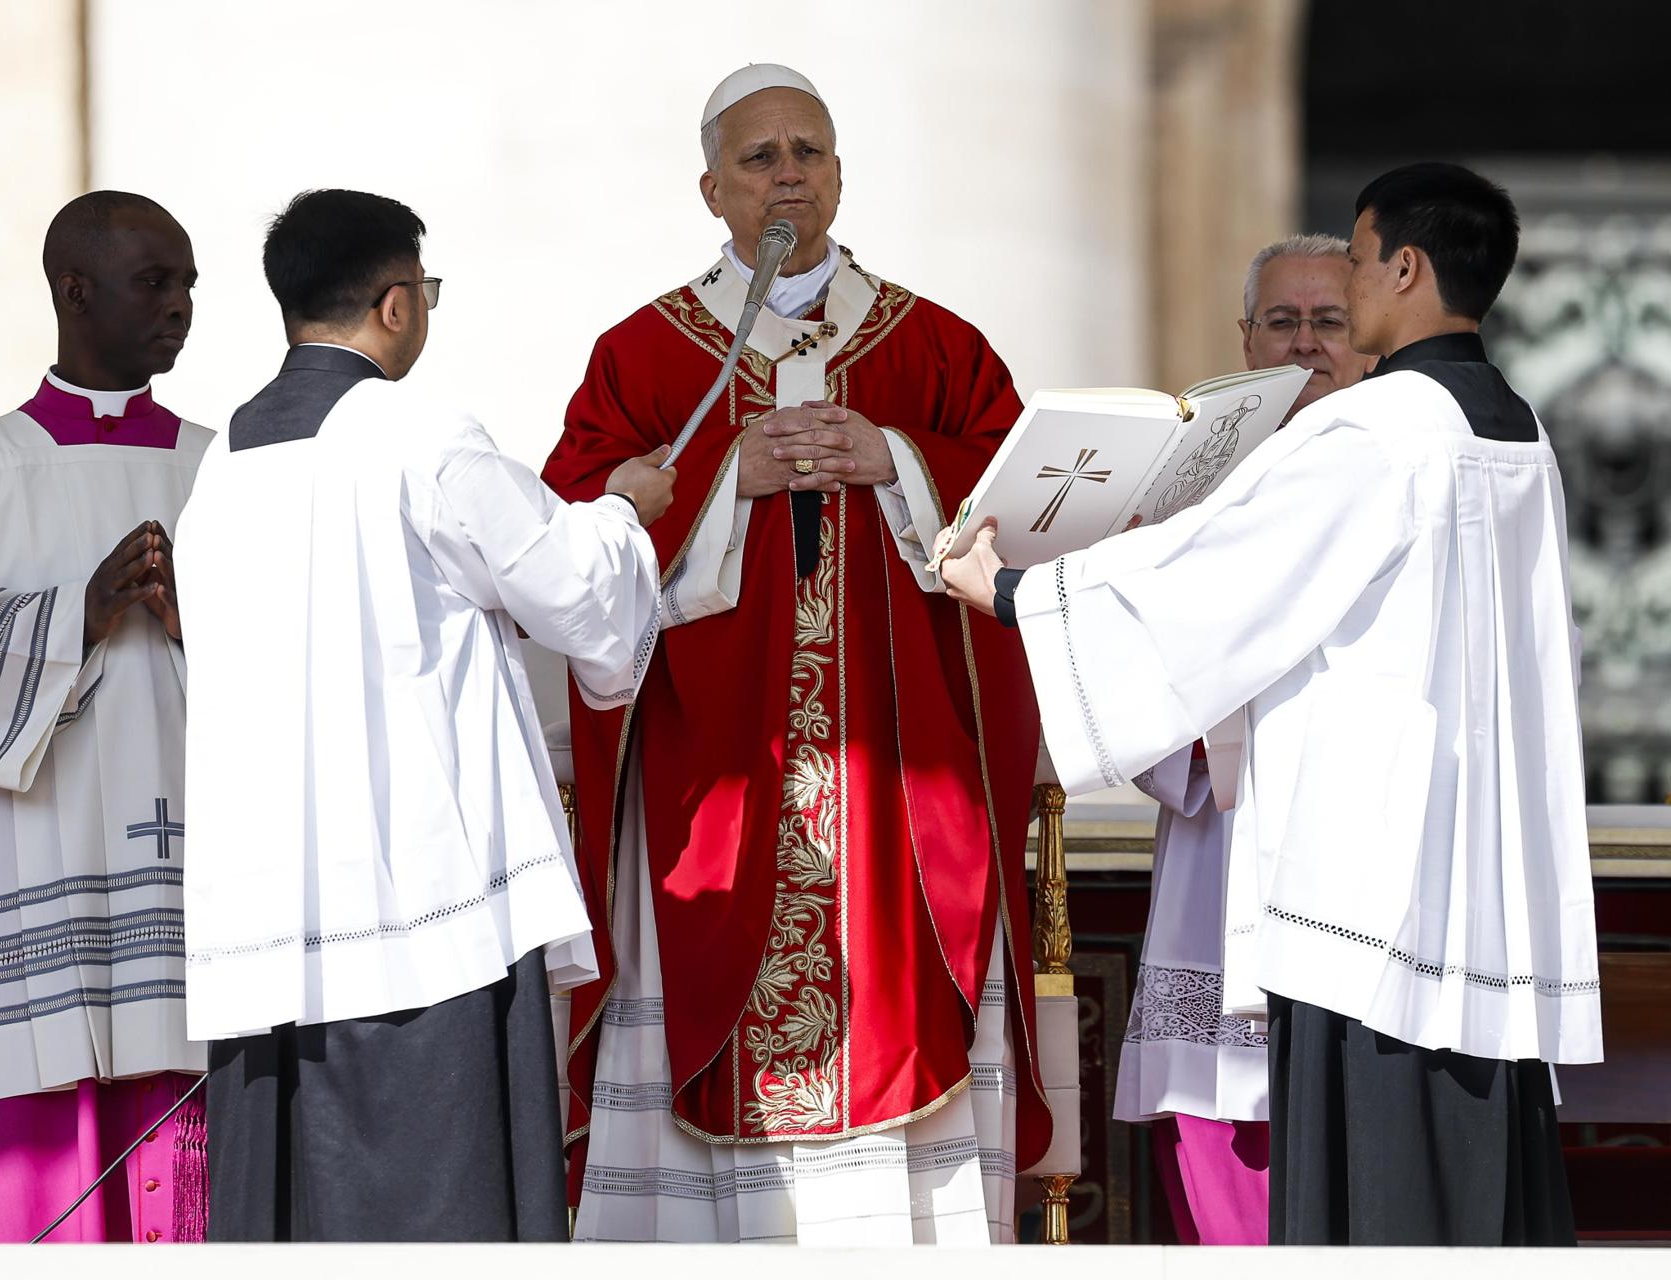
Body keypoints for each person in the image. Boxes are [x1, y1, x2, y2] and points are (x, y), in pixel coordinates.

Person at [941, 162, 1598, 1246]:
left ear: (1405, 265)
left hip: (1369, 898)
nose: (1344, 280)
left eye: (1353, 255)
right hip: (1474, 884)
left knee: (1373, 1199)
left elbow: (1217, 578)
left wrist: (1014, 592)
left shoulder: (1373, 433)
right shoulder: (1517, 433)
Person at [540, 63, 1051, 1244]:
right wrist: (728, 478)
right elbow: (570, 538)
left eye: (807, 154)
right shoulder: (646, 355)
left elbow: (1026, 497)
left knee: (900, 1001)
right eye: (759, 158)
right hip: (712, 771)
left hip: (893, 776)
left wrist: (900, 461)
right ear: (711, 187)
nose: (786, 178)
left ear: (838, 174)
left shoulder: (934, 344)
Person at [178, 189, 673, 1242]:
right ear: (397, 303)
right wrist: (626, 509)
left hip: (271, 925)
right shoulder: (420, 437)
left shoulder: (219, 470)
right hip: (421, 916)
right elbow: (572, 591)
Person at [0, 191, 209, 1243]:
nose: (183, 307)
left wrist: (202, 620)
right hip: (35, 876)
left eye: (191, 284)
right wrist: (77, 613)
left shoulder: (233, 469)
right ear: (76, 290)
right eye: (158, 281)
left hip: (200, 883)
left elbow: (310, 658)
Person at [1117, 233, 1371, 1246]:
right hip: (1222, 857)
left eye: (1330, 321)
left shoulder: (1414, 463)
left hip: (1361, 852)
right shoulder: (1186, 488)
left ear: (1372, 336)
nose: (1306, 345)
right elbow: (1130, 670)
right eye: (1284, 320)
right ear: (1245, 336)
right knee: (1222, 1158)